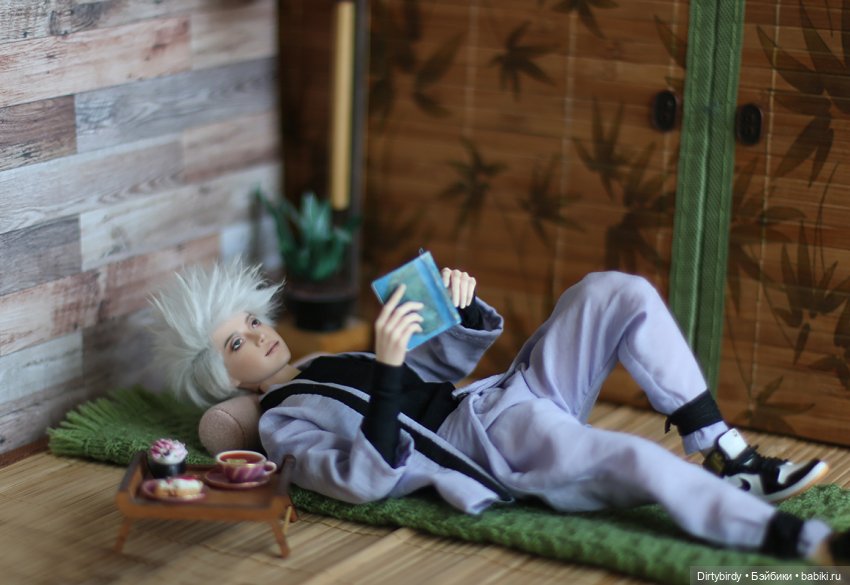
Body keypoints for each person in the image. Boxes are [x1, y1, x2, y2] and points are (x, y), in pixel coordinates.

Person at [149, 259, 848, 564]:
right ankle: (797, 540)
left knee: (615, 291)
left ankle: (727, 451)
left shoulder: (321, 362)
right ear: (222, 376)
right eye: (235, 342)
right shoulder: (280, 423)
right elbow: (364, 477)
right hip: (490, 440)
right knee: (633, 457)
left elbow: (431, 376)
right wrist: (386, 367)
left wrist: (455, 308)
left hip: (504, 393)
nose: (257, 337)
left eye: (251, 320)